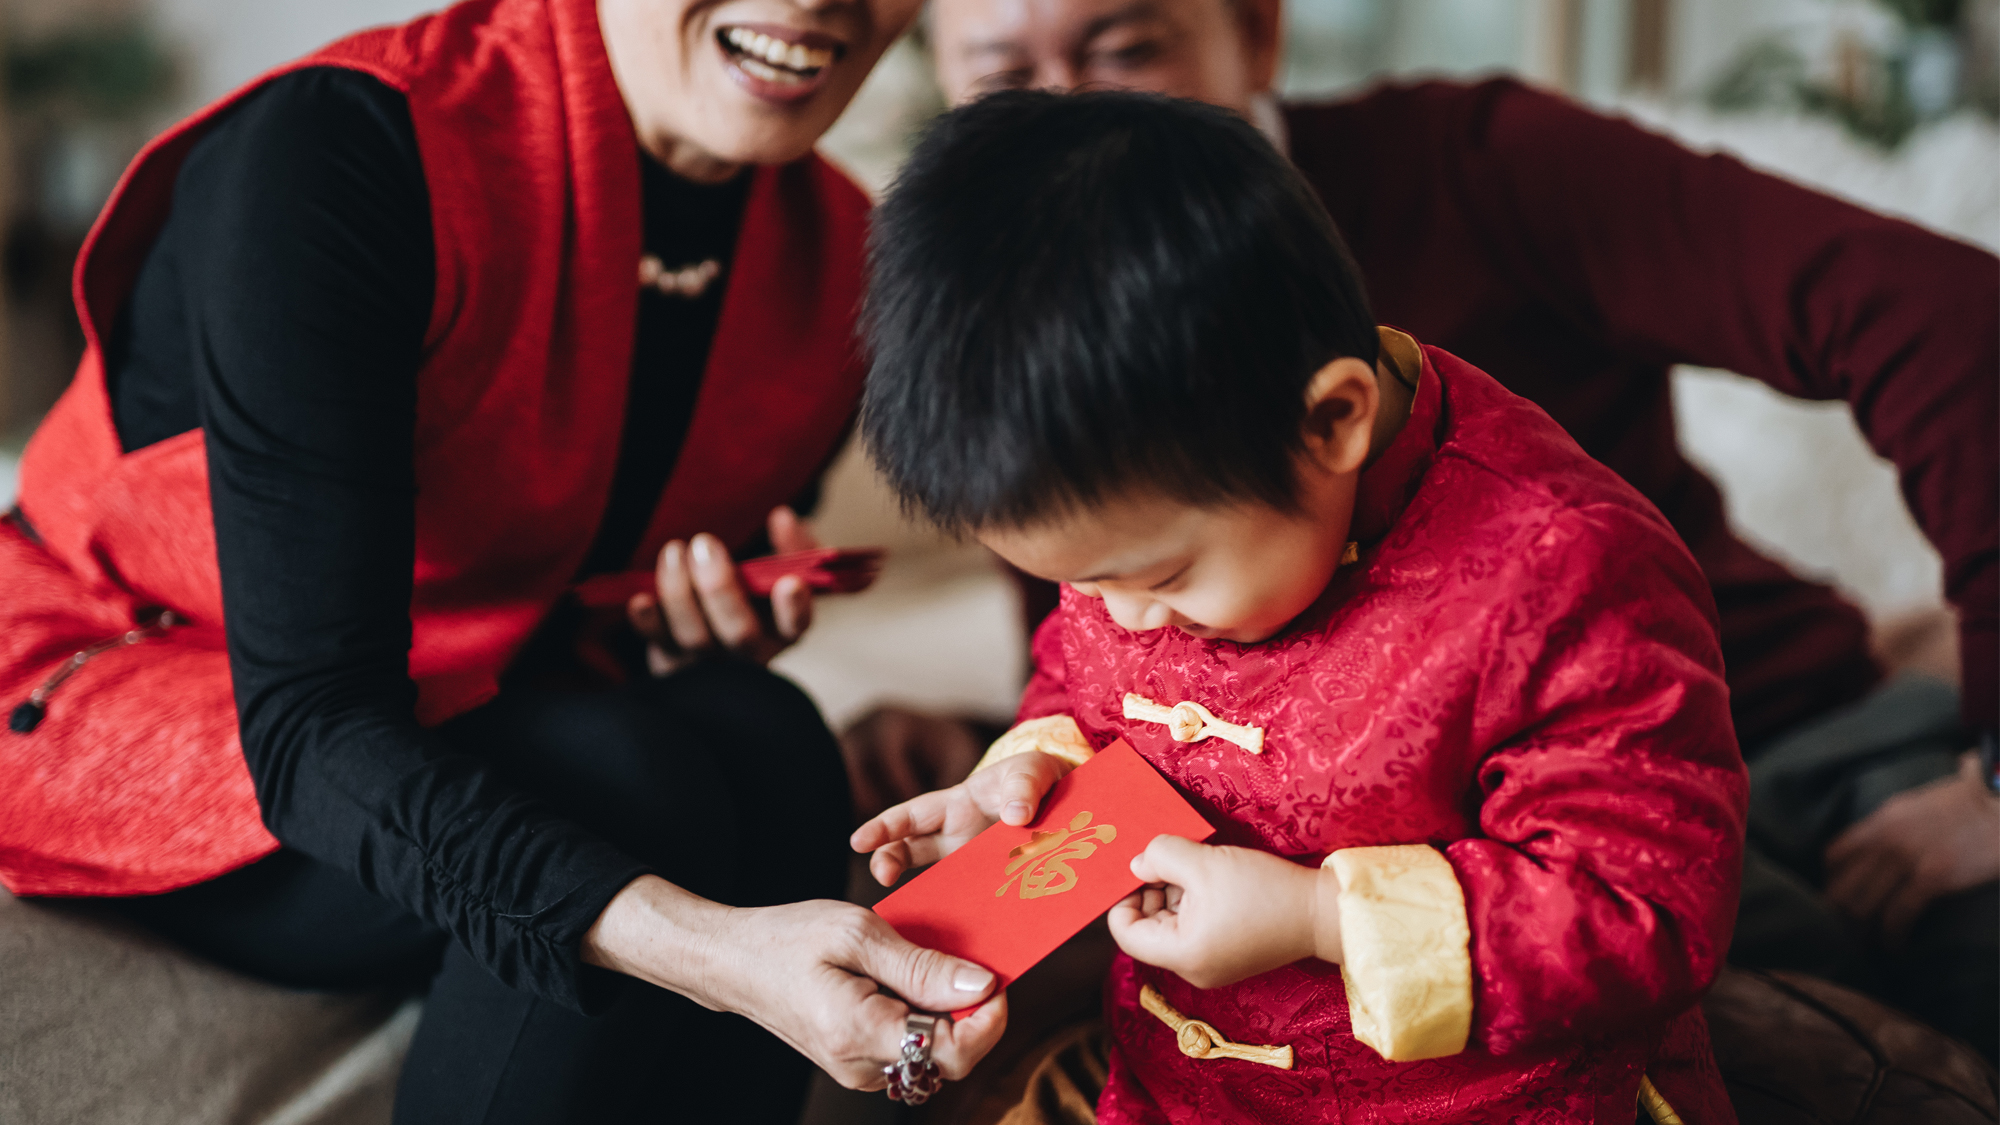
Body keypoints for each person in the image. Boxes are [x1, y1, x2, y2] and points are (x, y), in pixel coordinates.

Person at [839, 0, 2000, 1057]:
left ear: (1257, 32)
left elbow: (1950, 324)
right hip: (1430, 876)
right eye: (1004, 79)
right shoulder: (1007, 363)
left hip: (1760, 744)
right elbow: (1128, 666)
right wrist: (1011, 763)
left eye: (1127, 52)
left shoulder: (1476, 176)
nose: (1075, 120)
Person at [0, 0, 1008, 1119]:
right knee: (625, 783)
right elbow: (311, 726)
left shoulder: (830, 263)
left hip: (472, 690)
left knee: (766, 732)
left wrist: (667, 628)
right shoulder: (345, 145)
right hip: (134, 682)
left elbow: (577, 576)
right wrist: (711, 951)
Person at [854, 88, 1748, 1124]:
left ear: (1331, 421)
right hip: (1176, 1088)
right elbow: (1081, 673)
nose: (1124, 621)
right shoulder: (1146, 527)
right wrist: (1028, 779)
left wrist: (1324, 917)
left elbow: (1646, 909)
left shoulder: (1562, 573)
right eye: (1083, 583)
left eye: (1161, 579)